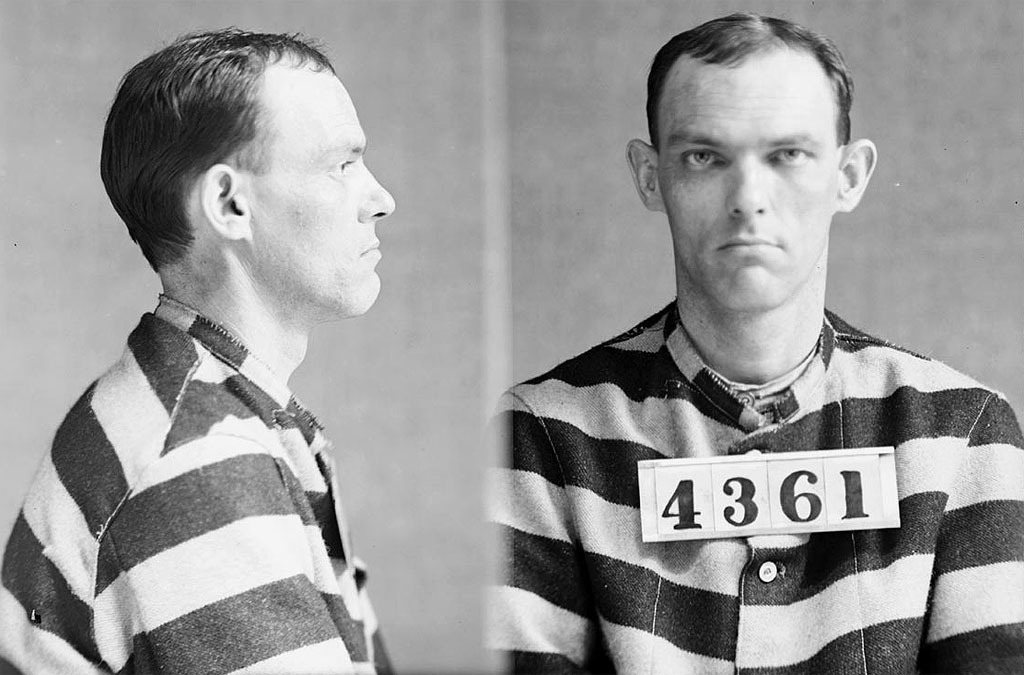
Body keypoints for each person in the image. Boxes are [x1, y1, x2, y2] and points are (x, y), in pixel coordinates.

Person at [491, 12, 1024, 673]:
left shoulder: (962, 434)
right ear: (651, 176)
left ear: (850, 175)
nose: (748, 198)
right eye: (704, 157)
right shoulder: (544, 436)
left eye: (787, 155)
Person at [0, 29, 395, 674]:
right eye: (341, 166)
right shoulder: (198, 458)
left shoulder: (218, 411)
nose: (380, 200)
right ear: (229, 204)